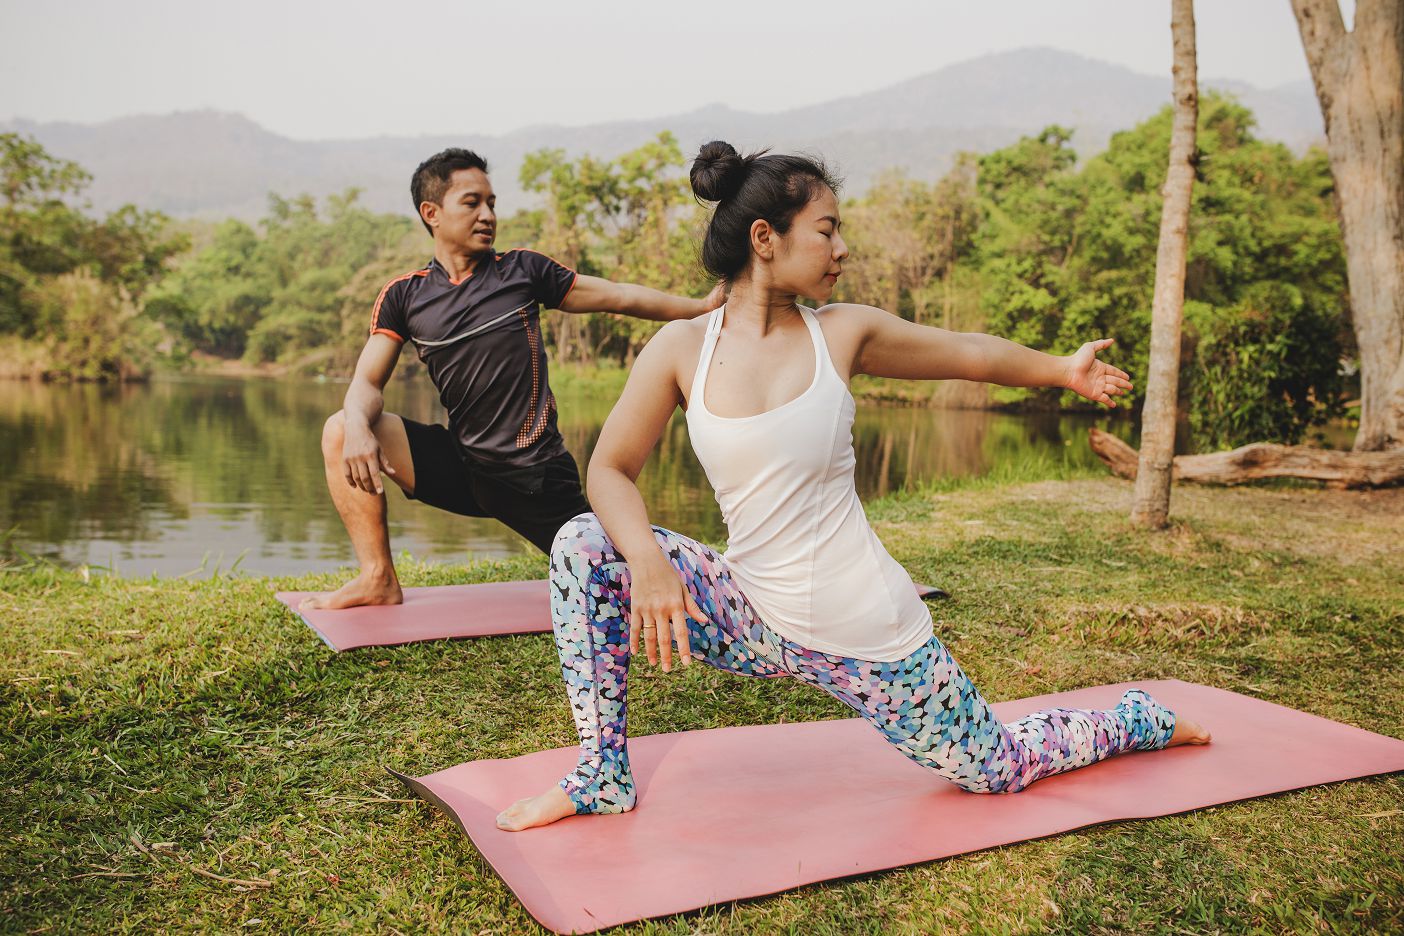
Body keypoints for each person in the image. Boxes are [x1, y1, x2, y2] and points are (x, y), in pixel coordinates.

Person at [496, 142, 1211, 832]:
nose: (843, 249)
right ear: (764, 238)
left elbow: (966, 353)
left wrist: (1063, 370)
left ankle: (1134, 717)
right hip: (747, 613)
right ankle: (601, 775)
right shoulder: (683, 347)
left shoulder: (842, 334)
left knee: (997, 768)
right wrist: (648, 563)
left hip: (865, 634)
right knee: (584, 544)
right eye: (828, 230)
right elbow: (608, 469)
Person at [301, 148, 724, 611]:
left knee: (619, 581)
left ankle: (721, 584)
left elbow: (618, 296)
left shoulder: (522, 271)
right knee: (342, 428)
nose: (488, 215)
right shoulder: (405, 296)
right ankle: (378, 578)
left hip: (534, 477)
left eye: (492, 203)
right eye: (472, 202)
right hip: (463, 466)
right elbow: (366, 382)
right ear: (432, 213)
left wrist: (699, 308)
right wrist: (361, 426)